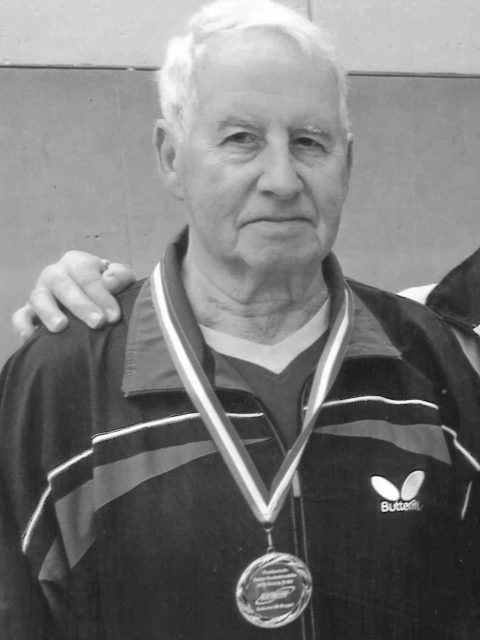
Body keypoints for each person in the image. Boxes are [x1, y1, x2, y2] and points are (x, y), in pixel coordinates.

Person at [1, 1, 480, 638]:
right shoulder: (58, 383)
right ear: (171, 157)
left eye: (309, 142)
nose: (282, 179)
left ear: (347, 162)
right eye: (241, 139)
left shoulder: (429, 360)